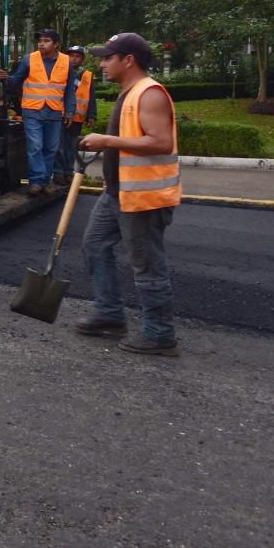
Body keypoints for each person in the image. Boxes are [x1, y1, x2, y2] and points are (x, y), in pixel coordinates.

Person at [75, 33, 182, 357]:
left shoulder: (149, 94)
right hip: (118, 192)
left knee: (147, 266)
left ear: (128, 60)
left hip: (143, 198)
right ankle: (109, 313)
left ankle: (160, 335)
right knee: (94, 245)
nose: (102, 64)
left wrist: (107, 141)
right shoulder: (130, 92)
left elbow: (160, 141)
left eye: (108, 58)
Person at [0, 29, 77, 196]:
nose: (41, 44)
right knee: (35, 147)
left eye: (46, 41)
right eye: (40, 41)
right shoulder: (29, 59)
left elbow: (70, 90)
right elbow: (15, 81)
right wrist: (5, 79)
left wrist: (70, 112)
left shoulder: (66, 62)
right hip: (32, 110)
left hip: (54, 111)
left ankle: (45, 181)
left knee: (51, 149)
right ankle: (36, 181)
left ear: (56, 44)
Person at [53, 45, 97, 184]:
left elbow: (91, 95)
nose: (73, 59)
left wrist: (91, 115)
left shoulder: (87, 75)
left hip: (76, 118)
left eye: (77, 56)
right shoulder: (60, 71)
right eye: (71, 56)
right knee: (59, 146)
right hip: (60, 115)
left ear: (82, 59)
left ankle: (68, 172)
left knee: (71, 147)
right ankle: (58, 173)